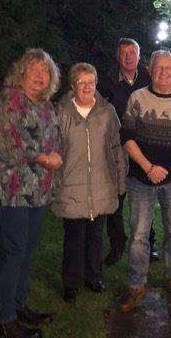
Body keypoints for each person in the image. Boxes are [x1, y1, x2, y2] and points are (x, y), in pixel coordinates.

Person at [0, 48, 62, 338]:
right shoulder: (8, 99)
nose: (40, 75)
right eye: (34, 69)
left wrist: (57, 156)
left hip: (35, 193)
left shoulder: (46, 106)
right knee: (12, 253)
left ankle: (18, 305)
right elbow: (10, 141)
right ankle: (4, 323)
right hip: (7, 191)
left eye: (45, 70)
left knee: (24, 252)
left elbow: (55, 140)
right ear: (21, 72)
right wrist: (44, 159)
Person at [119, 50, 171, 312]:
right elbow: (127, 137)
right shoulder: (137, 98)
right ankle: (136, 284)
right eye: (158, 68)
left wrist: (169, 171)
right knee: (139, 235)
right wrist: (149, 167)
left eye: (168, 68)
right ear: (150, 71)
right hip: (141, 178)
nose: (164, 73)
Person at [52, 63, 127, 302]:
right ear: (73, 85)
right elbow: (53, 148)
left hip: (101, 185)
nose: (87, 87)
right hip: (71, 186)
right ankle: (71, 282)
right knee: (74, 238)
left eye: (91, 82)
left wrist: (120, 181)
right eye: (82, 82)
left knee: (96, 236)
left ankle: (94, 277)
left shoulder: (107, 112)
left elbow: (117, 148)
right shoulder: (61, 112)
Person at [97, 38, 158, 266]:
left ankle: (149, 242)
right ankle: (117, 244)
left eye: (132, 52)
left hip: (144, 146)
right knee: (116, 198)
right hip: (117, 148)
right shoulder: (107, 81)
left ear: (139, 55)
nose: (128, 57)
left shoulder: (149, 78)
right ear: (118, 56)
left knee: (145, 197)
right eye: (124, 53)